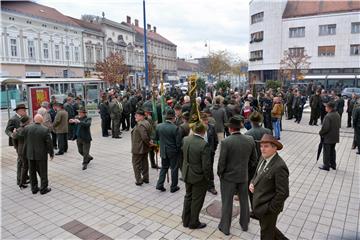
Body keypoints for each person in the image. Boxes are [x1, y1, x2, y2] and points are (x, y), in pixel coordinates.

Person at [217, 115, 257, 235]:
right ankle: (244, 224)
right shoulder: (250, 139)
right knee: (244, 201)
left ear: (230, 129)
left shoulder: (225, 142)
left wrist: (221, 175)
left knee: (227, 202)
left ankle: (225, 227)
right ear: (239, 128)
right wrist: (246, 169)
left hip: (228, 178)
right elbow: (254, 160)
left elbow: (221, 163)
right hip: (243, 176)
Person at [249, 134, 289, 240]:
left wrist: (270, 208)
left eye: (266, 146)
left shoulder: (279, 166)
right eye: (261, 146)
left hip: (268, 208)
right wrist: (252, 182)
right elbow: (257, 174)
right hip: (260, 206)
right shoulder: (263, 157)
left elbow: (283, 192)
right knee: (268, 227)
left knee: (266, 233)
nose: (262, 149)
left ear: (274, 148)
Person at [181, 121, 211, 229]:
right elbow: (206, 166)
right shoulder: (204, 144)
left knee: (188, 196)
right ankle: (194, 222)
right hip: (198, 176)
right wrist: (208, 179)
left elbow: (182, 156)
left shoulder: (185, 139)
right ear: (204, 131)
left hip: (187, 173)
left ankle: (185, 219)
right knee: (197, 200)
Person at [245, 112, 272, 217]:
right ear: (260, 120)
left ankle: (255, 210)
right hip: (266, 162)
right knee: (265, 187)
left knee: (252, 188)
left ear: (251, 121)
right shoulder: (268, 131)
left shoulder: (248, 134)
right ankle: (264, 207)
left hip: (253, 165)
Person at [23, 114, 54, 195]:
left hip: (30, 154)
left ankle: (34, 188)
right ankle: (43, 189)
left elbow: (25, 139)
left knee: (32, 172)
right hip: (41, 155)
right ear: (42, 120)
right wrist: (51, 153)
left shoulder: (27, 128)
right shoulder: (45, 129)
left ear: (34, 120)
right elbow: (49, 143)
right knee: (43, 172)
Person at [155, 109, 181, 193]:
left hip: (163, 150)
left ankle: (159, 184)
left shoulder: (159, 126)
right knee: (174, 169)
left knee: (164, 167)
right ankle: (173, 187)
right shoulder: (175, 128)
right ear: (173, 118)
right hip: (173, 151)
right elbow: (178, 143)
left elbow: (156, 138)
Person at [5, 103, 28, 186]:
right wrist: (13, 135)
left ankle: (24, 177)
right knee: (20, 161)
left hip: (24, 142)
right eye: (24, 110)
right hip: (18, 143)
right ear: (20, 111)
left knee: (24, 161)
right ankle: (19, 180)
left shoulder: (23, 118)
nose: (25, 112)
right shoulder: (13, 119)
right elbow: (7, 130)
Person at [131, 109, 153, 185]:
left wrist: (149, 143)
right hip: (144, 148)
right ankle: (146, 178)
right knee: (144, 163)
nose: (135, 117)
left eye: (136, 115)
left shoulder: (140, 125)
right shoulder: (146, 122)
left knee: (136, 164)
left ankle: (139, 180)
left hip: (138, 148)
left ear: (141, 116)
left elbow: (144, 137)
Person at [319, 101, 341, 171]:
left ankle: (326, 165)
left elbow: (325, 128)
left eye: (326, 107)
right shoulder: (337, 114)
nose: (325, 108)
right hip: (335, 136)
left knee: (326, 152)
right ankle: (333, 164)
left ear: (329, 108)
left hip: (328, 137)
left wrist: (321, 133)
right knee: (332, 151)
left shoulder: (328, 116)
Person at [201, 113, 218, 195]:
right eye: (204, 120)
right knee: (201, 168)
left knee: (210, 169)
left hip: (210, 152)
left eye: (207, 120)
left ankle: (211, 186)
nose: (206, 121)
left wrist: (213, 150)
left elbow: (216, 140)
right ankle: (202, 185)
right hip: (200, 153)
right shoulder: (198, 128)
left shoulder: (212, 127)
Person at [11, 116, 31, 189]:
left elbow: (14, 139)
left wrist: (17, 148)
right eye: (29, 120)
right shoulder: (28, 129)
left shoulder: (17, 130)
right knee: (26, 166)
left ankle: (22, 181)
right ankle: (22, 183)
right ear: (27, 122)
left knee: (24, 166)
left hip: (20, 150)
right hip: (27, 150)